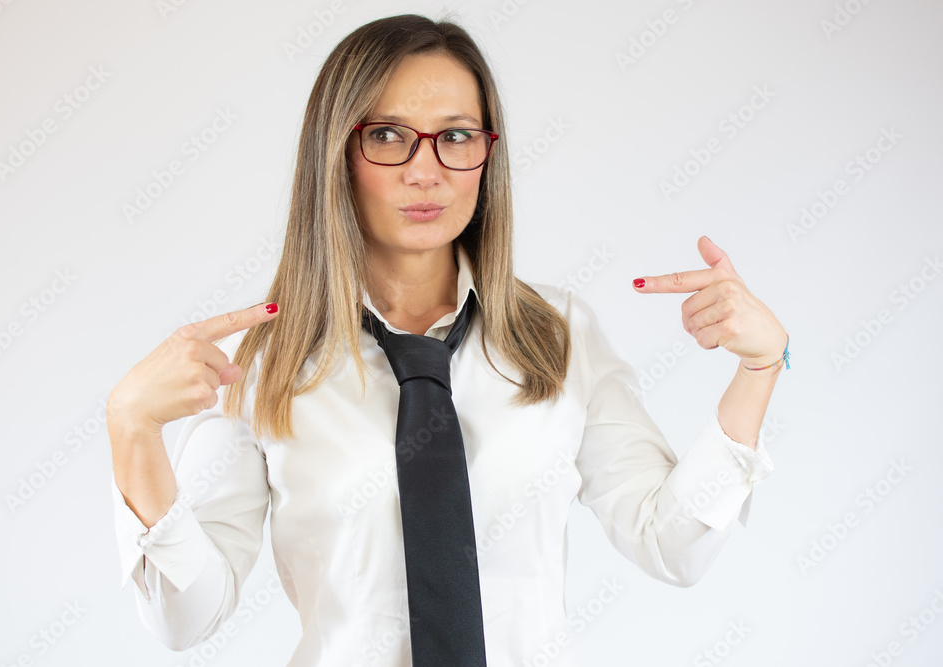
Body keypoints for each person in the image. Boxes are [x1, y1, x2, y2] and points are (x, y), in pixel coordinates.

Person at [107, 13, 787, 666]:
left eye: (456, 136)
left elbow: (670, 543)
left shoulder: (559, 335)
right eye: (387, 135)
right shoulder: (269, 365)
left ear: (488, 155)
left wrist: (758, 369)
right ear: (336, 154)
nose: (425, 170)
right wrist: (132, 430)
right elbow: (183, 616)